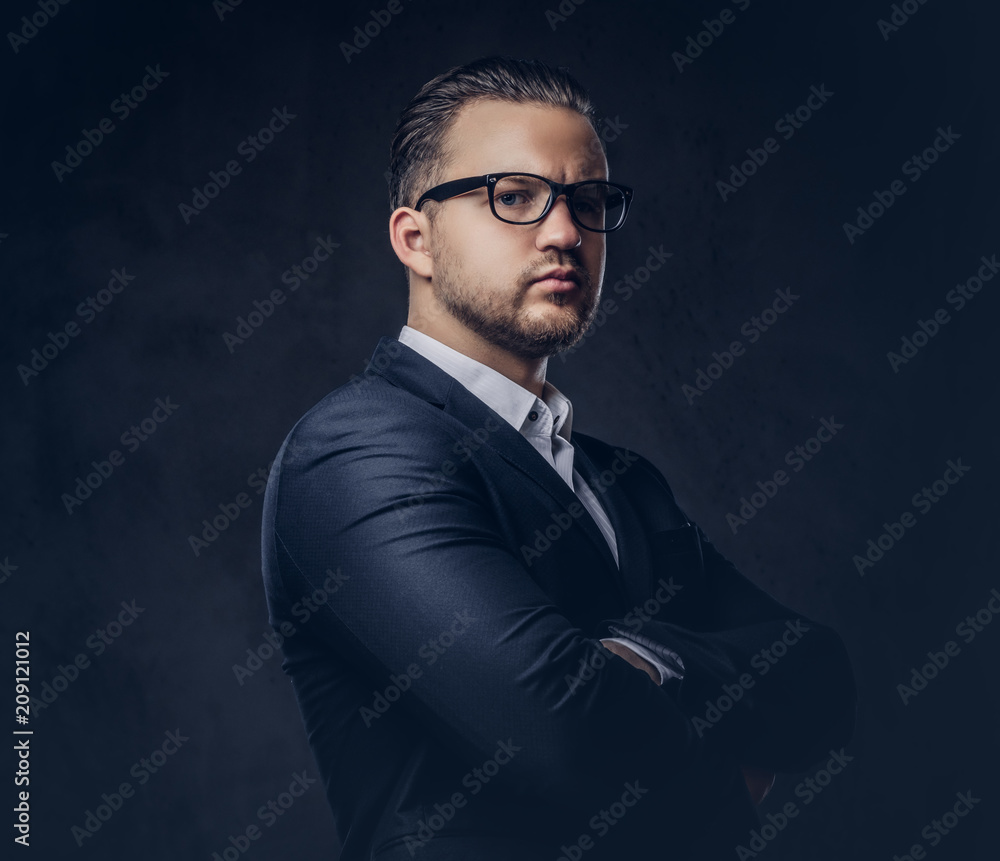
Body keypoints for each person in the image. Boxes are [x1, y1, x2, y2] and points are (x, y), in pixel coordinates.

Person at [260, 55, 856, 860]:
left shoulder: (626, 481)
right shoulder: (357, 452)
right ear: (416, 238)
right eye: (513, 196)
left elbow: (821, 678)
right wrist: (727, 766)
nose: (567, 231)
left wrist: (646, 660)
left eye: (589, 199)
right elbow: (560, 739)